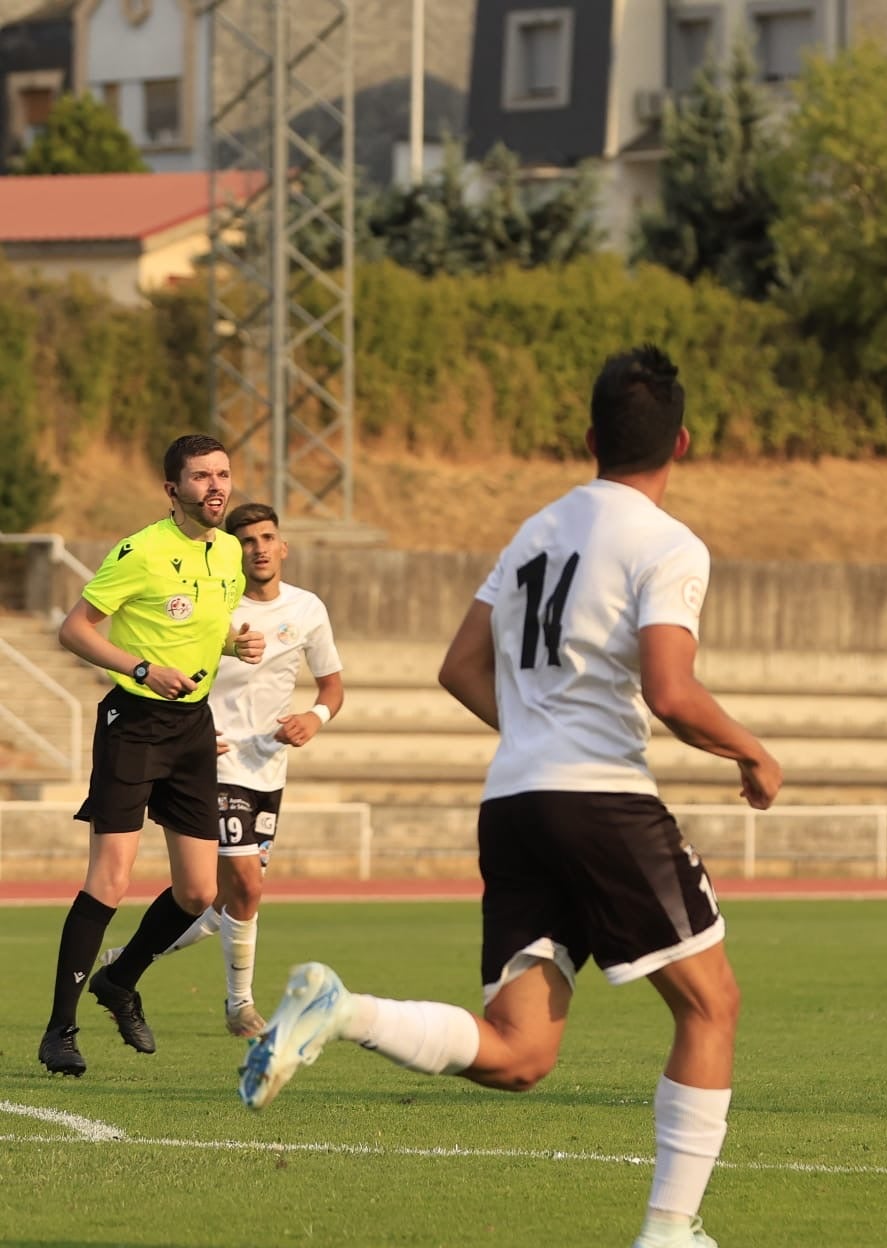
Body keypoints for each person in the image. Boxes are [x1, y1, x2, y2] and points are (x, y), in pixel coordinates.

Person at [238, 346, 782, 1248]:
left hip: (514, 802)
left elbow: (457, 665)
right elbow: (672, 692)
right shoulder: (667, 543)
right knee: (710, 1005)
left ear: (587, 438)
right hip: (600, 799)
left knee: (522, 1052)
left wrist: (533, 731)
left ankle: (344, 1009)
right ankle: (669, 1232)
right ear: (681, 443)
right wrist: (754, 755)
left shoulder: (536, 528)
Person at [38, 434, 266, 1077]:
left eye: (223, 475)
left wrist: (229, 646)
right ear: (173, 490)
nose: (216, 487)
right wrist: (141, 666)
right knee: (110, 879)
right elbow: (74, 629)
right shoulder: (140, 552)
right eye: (200, 478)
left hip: (193, 727)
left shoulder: (228, 552)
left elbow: (199, 620)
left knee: (199, 890)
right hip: (134, 724)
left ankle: (121, 980)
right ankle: (60, 1030)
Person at [102, 502, 346, 1036]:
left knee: (221, 899)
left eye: (268, 537)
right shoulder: (213, 603)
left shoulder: (307, 609)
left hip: (268, 768)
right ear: (233, 549)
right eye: (248, 540)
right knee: (246, 887)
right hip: (212, 761)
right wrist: (186, 736)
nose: (259, 548)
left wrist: (315, 716)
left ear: (283, 546)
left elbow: (332, 687)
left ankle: (127, 965)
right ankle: (240, 1007)